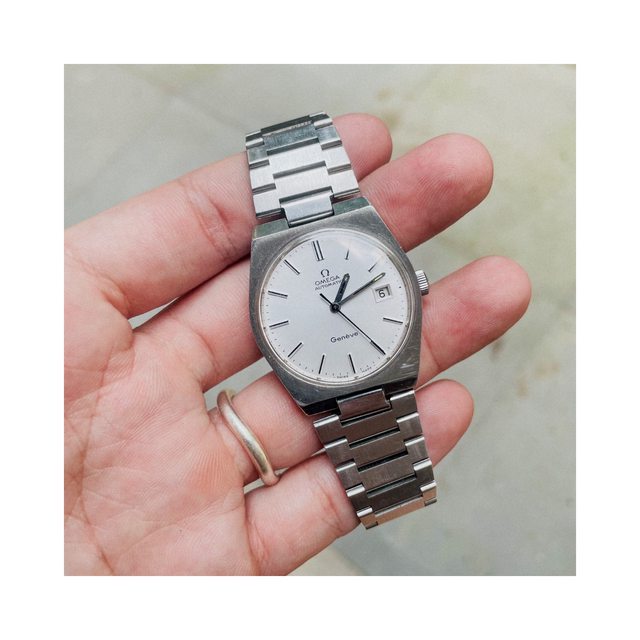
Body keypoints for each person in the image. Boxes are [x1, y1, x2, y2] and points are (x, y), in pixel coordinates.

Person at [64, 113, 531, 575]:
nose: (335, 305)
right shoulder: (279, 286)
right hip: (331, 383)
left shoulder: (358, 241)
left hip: (377, 365)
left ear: (414, 284)